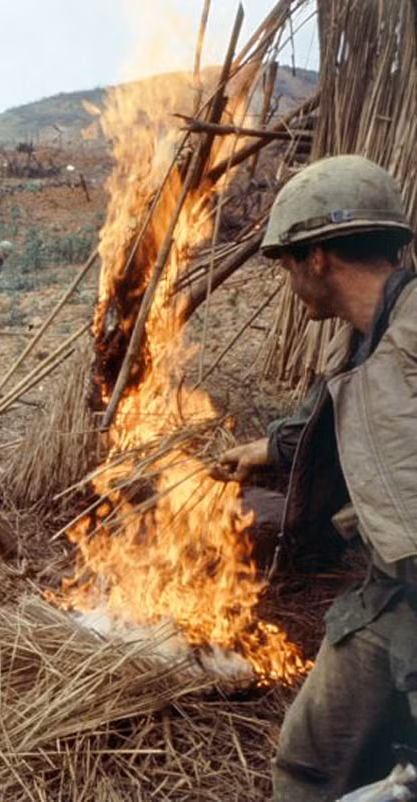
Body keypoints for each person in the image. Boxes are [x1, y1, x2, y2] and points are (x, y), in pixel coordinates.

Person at [215, 154, 417, 801]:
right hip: (390, 591)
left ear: (318, 258)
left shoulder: (408, 349)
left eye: (286, 265)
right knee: (309, 764)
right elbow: (326, 424)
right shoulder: (363, 338)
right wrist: (265, 449)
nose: (288, 281)